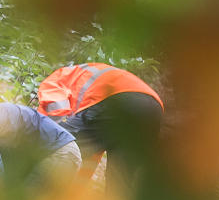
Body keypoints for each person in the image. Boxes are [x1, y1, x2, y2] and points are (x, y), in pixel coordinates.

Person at [35, 62, 164, 186]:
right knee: (120, 185)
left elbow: (57, 126)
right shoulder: (84, 82)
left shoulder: (56, 79)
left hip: (117, 97)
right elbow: (88, 157)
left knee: (62, 146)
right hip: (153, 109)